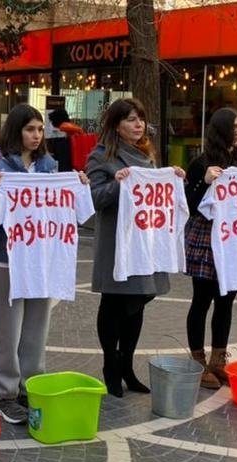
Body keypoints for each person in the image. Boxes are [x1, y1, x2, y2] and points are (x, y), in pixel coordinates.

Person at [0, 103, 88, 423]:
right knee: (8, 334)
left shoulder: (51, 167)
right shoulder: (0, 172)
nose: (37, 135)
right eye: (30, 129)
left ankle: (30, 385)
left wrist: (77, 189)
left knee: (37, 330)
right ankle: (6, 394)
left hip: (42, 262)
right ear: (16, 131)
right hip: (8, 264)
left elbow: (65, 215)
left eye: (40, 129)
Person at [86, 98, 184, 397]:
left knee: (137, 302)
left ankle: (127, 364)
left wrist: (172, 179)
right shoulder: (101, 156)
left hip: (144, 243)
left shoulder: (147, 156)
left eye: (140, 118)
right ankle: (110, 366)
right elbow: (92, 198)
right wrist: (117, 184)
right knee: (114, 304)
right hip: (117, 245)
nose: (138, 124)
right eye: (130, 119)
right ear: (116, 124)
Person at [183, 108, 237, 388]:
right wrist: (204, 180)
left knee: (227, 301)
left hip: (234, 240)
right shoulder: (201, 163)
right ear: (220, 129)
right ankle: (197, 360)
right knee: (202, 299)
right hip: (208, 238)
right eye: (234, 127)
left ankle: (218, 360)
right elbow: (187, 202)